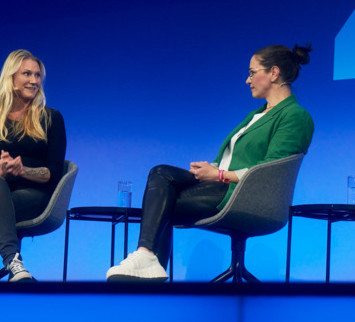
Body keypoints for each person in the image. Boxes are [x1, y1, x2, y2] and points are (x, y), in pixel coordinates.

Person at [107, 44, 315, 281]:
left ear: (274, 73)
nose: (247, 80)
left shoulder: (294, 116)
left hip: (243, 195)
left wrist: (218, 175)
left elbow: (271, 171)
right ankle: (148, 261)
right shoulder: (257, 114)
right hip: (222, 183)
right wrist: (212, 167)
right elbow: (235, 159)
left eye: (252, 72)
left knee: (161, 205)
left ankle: (149, 264)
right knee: (161, 172)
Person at [0, 50, 67, 281]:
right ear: (11, 78)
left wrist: (21, 170)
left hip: (33, 197)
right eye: (27, 74)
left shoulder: (51, 118)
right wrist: (0, 173)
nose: (34, 81)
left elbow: (53, 173)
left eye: (37, 75)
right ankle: (13, 264)